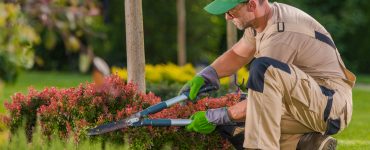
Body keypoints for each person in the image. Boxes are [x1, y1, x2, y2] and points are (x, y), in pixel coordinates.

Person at [180, 0, 356, 149]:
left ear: (251, 4)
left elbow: (259, 98)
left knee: (261, 72)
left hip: (330, 106)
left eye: (231, 12)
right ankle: (308, 143)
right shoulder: (261, 21)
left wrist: (216, 116)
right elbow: (239, 54)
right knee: (231, 125)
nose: (227, 17)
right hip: (305, 104)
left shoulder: (282, 34)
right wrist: (207, 75)